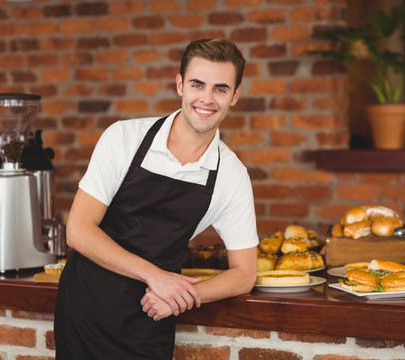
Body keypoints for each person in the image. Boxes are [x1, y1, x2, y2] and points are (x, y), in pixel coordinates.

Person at [54, 38, 259, 359]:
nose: (206, 99)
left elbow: (245, 274)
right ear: (180, 85)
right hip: (85, 307)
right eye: (197, 84)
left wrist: (182, 295)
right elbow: (79, 231)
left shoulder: (231, 175)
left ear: (235, 96)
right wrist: (157, 276)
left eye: (220, 89)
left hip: (153, 313)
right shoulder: (124, 137)